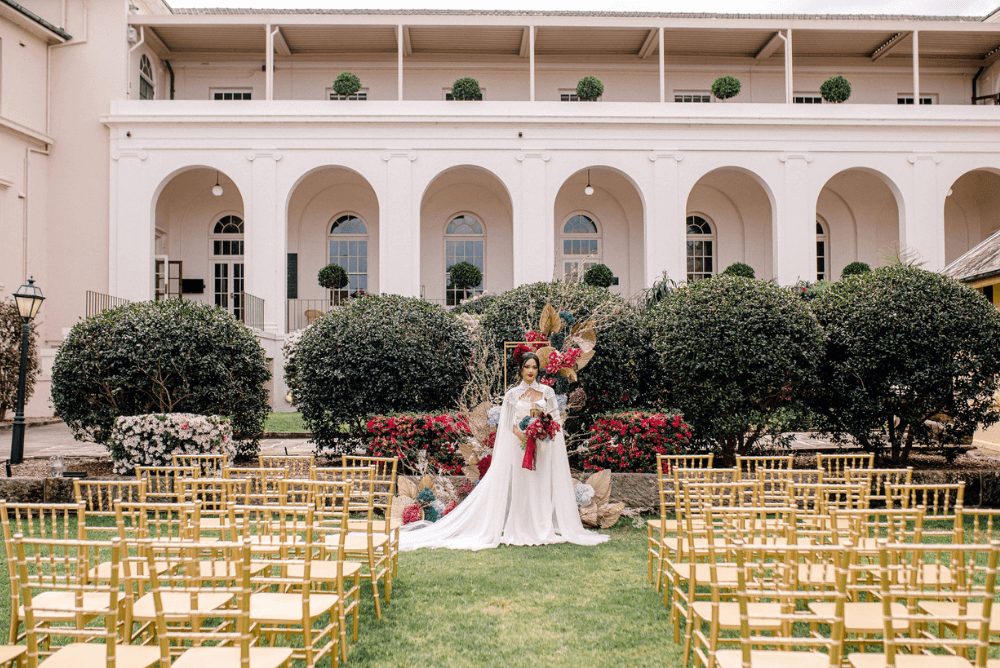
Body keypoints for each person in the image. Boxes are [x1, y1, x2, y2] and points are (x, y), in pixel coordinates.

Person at [399, 352, 608, 551]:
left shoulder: (547, 392)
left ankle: (542, 527)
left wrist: (543, 431)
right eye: (527, 367)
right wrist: (522, 435)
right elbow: (507, 424)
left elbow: (554, 419)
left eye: (535, 367)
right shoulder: (512, 394)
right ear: (520, 369)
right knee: (522, 486)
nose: (531, 371)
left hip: (542, 449)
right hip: (520, 448)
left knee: (541, 486)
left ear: (538, 370)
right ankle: (519, 526)